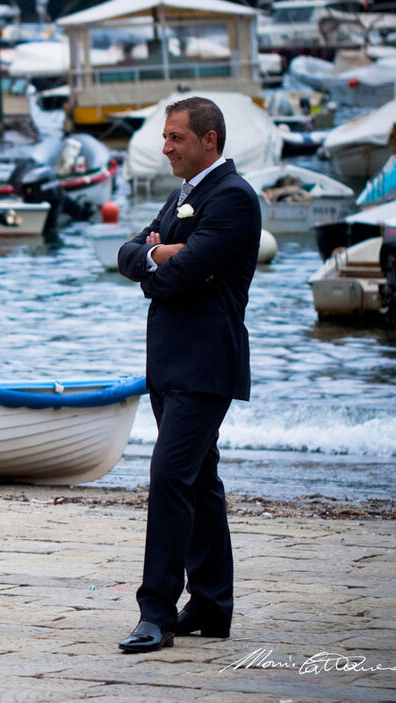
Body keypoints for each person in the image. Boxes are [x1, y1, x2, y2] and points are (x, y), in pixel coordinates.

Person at [116, 96, 260, 654]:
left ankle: (156, 612)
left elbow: (192, 269)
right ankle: (210, 605)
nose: (165, 147)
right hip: (170, 365)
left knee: (170, 478)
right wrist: (158, 258)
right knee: (200, 483)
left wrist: (162, 262)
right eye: (165, 136)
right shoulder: (182, 196)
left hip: (206, 364)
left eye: (176, 137)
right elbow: (129, 254)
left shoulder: (235, 199)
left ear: (210, 141)